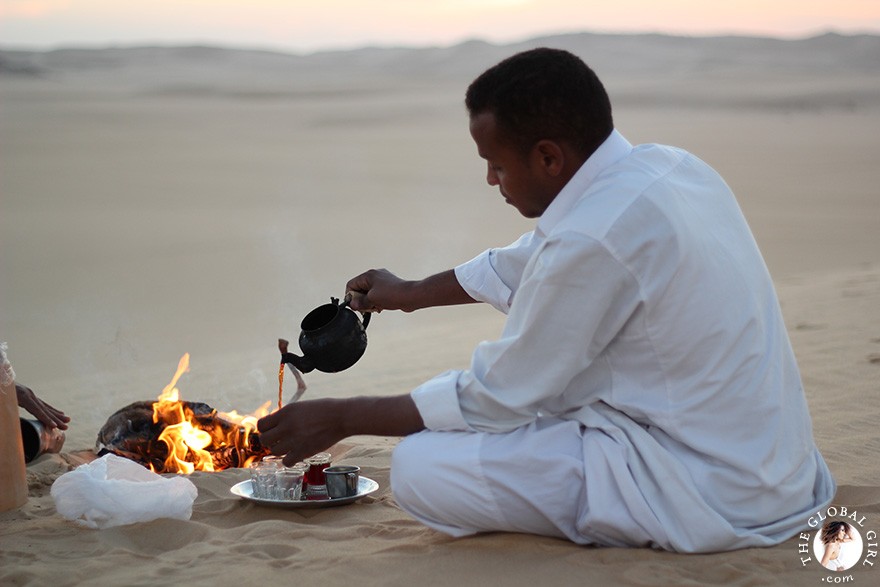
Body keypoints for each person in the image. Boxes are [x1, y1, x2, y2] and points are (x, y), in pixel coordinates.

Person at [257, 48, 835, 552]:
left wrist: (341, 416)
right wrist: (406, 293)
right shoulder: (670, 168)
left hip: (706, 490)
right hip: (773, 466)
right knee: (529, 410)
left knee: (420, 467)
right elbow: (532, 258)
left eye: (497, 165)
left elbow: (496, 398)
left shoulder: (591, 240)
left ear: (548, 158)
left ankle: (616, 527)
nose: (491, 181)